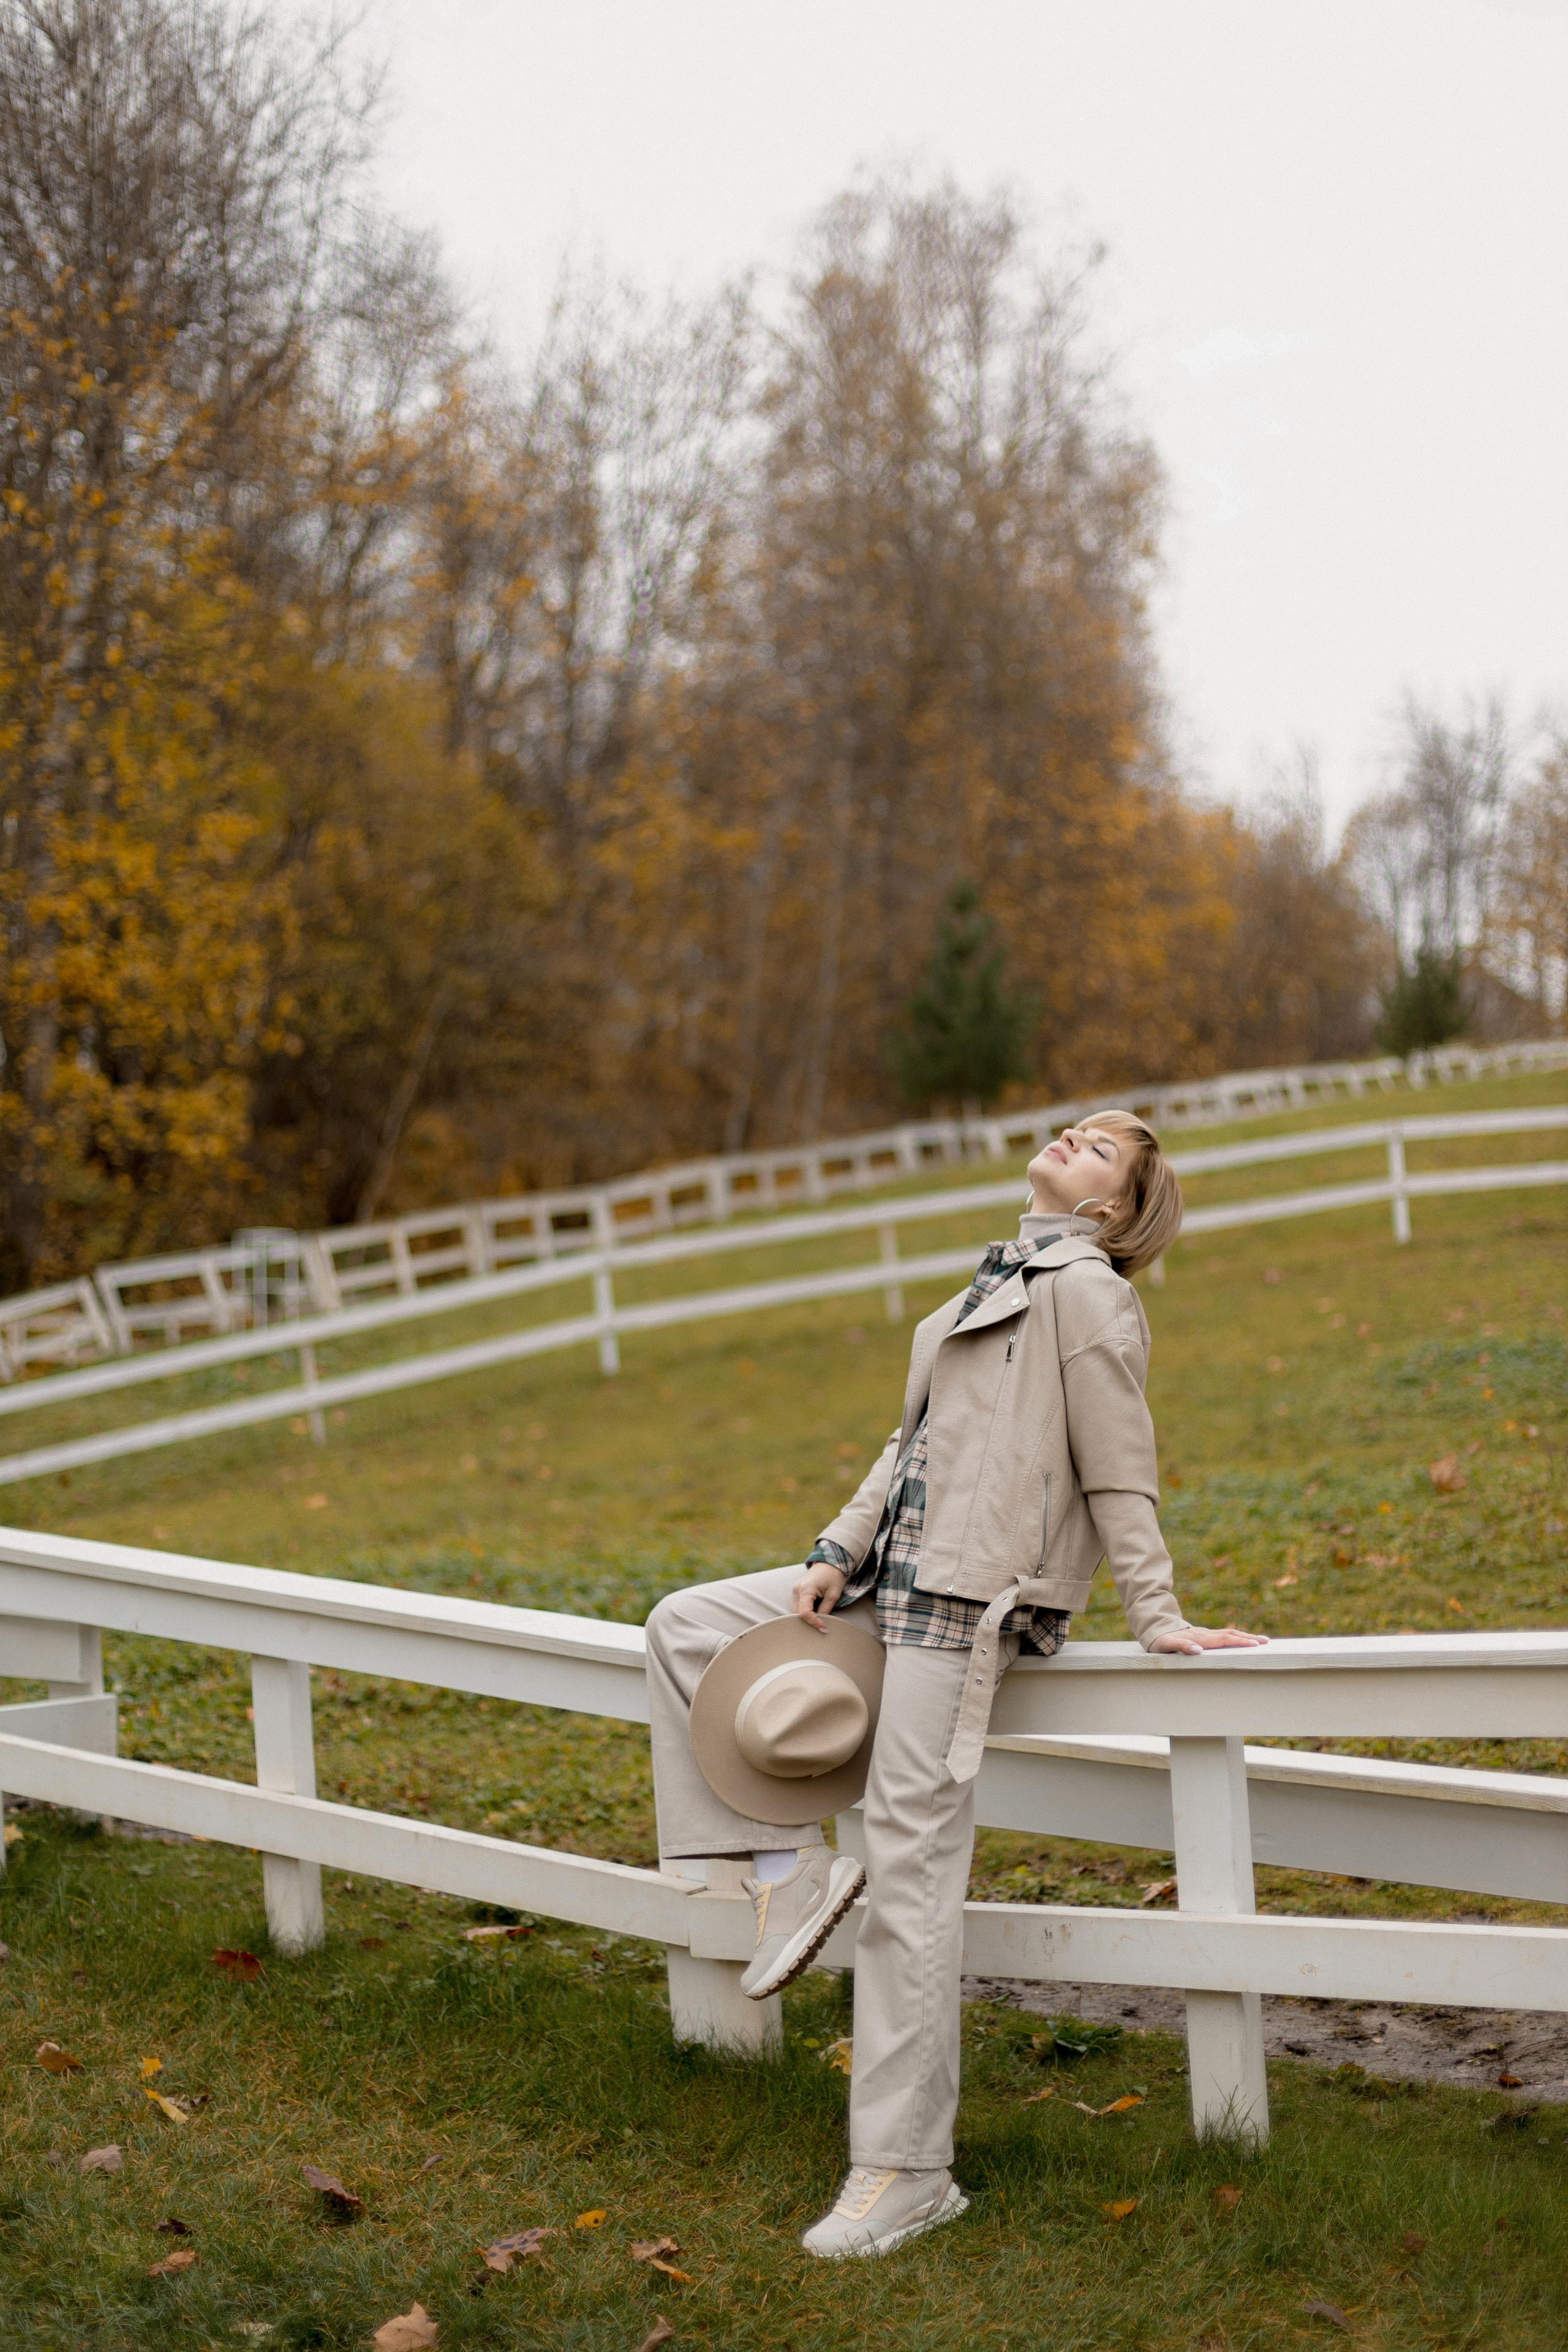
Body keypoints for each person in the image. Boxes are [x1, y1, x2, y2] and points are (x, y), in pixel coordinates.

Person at [644, 1111, 1264, 2259]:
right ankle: (782, 1872)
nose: (1077, 1136)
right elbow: (909, 1443)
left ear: (1113, 1212)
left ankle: (905, 2171)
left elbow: (1121, 1464)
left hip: (966, 1607)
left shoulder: (1088, 1293)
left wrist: (1160, 1615)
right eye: (1080, 1128)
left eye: (1104, 1150)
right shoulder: (996, 1278)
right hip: (890, 1577)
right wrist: (834, 1551)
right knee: (687, 1626)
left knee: (913, 1885)